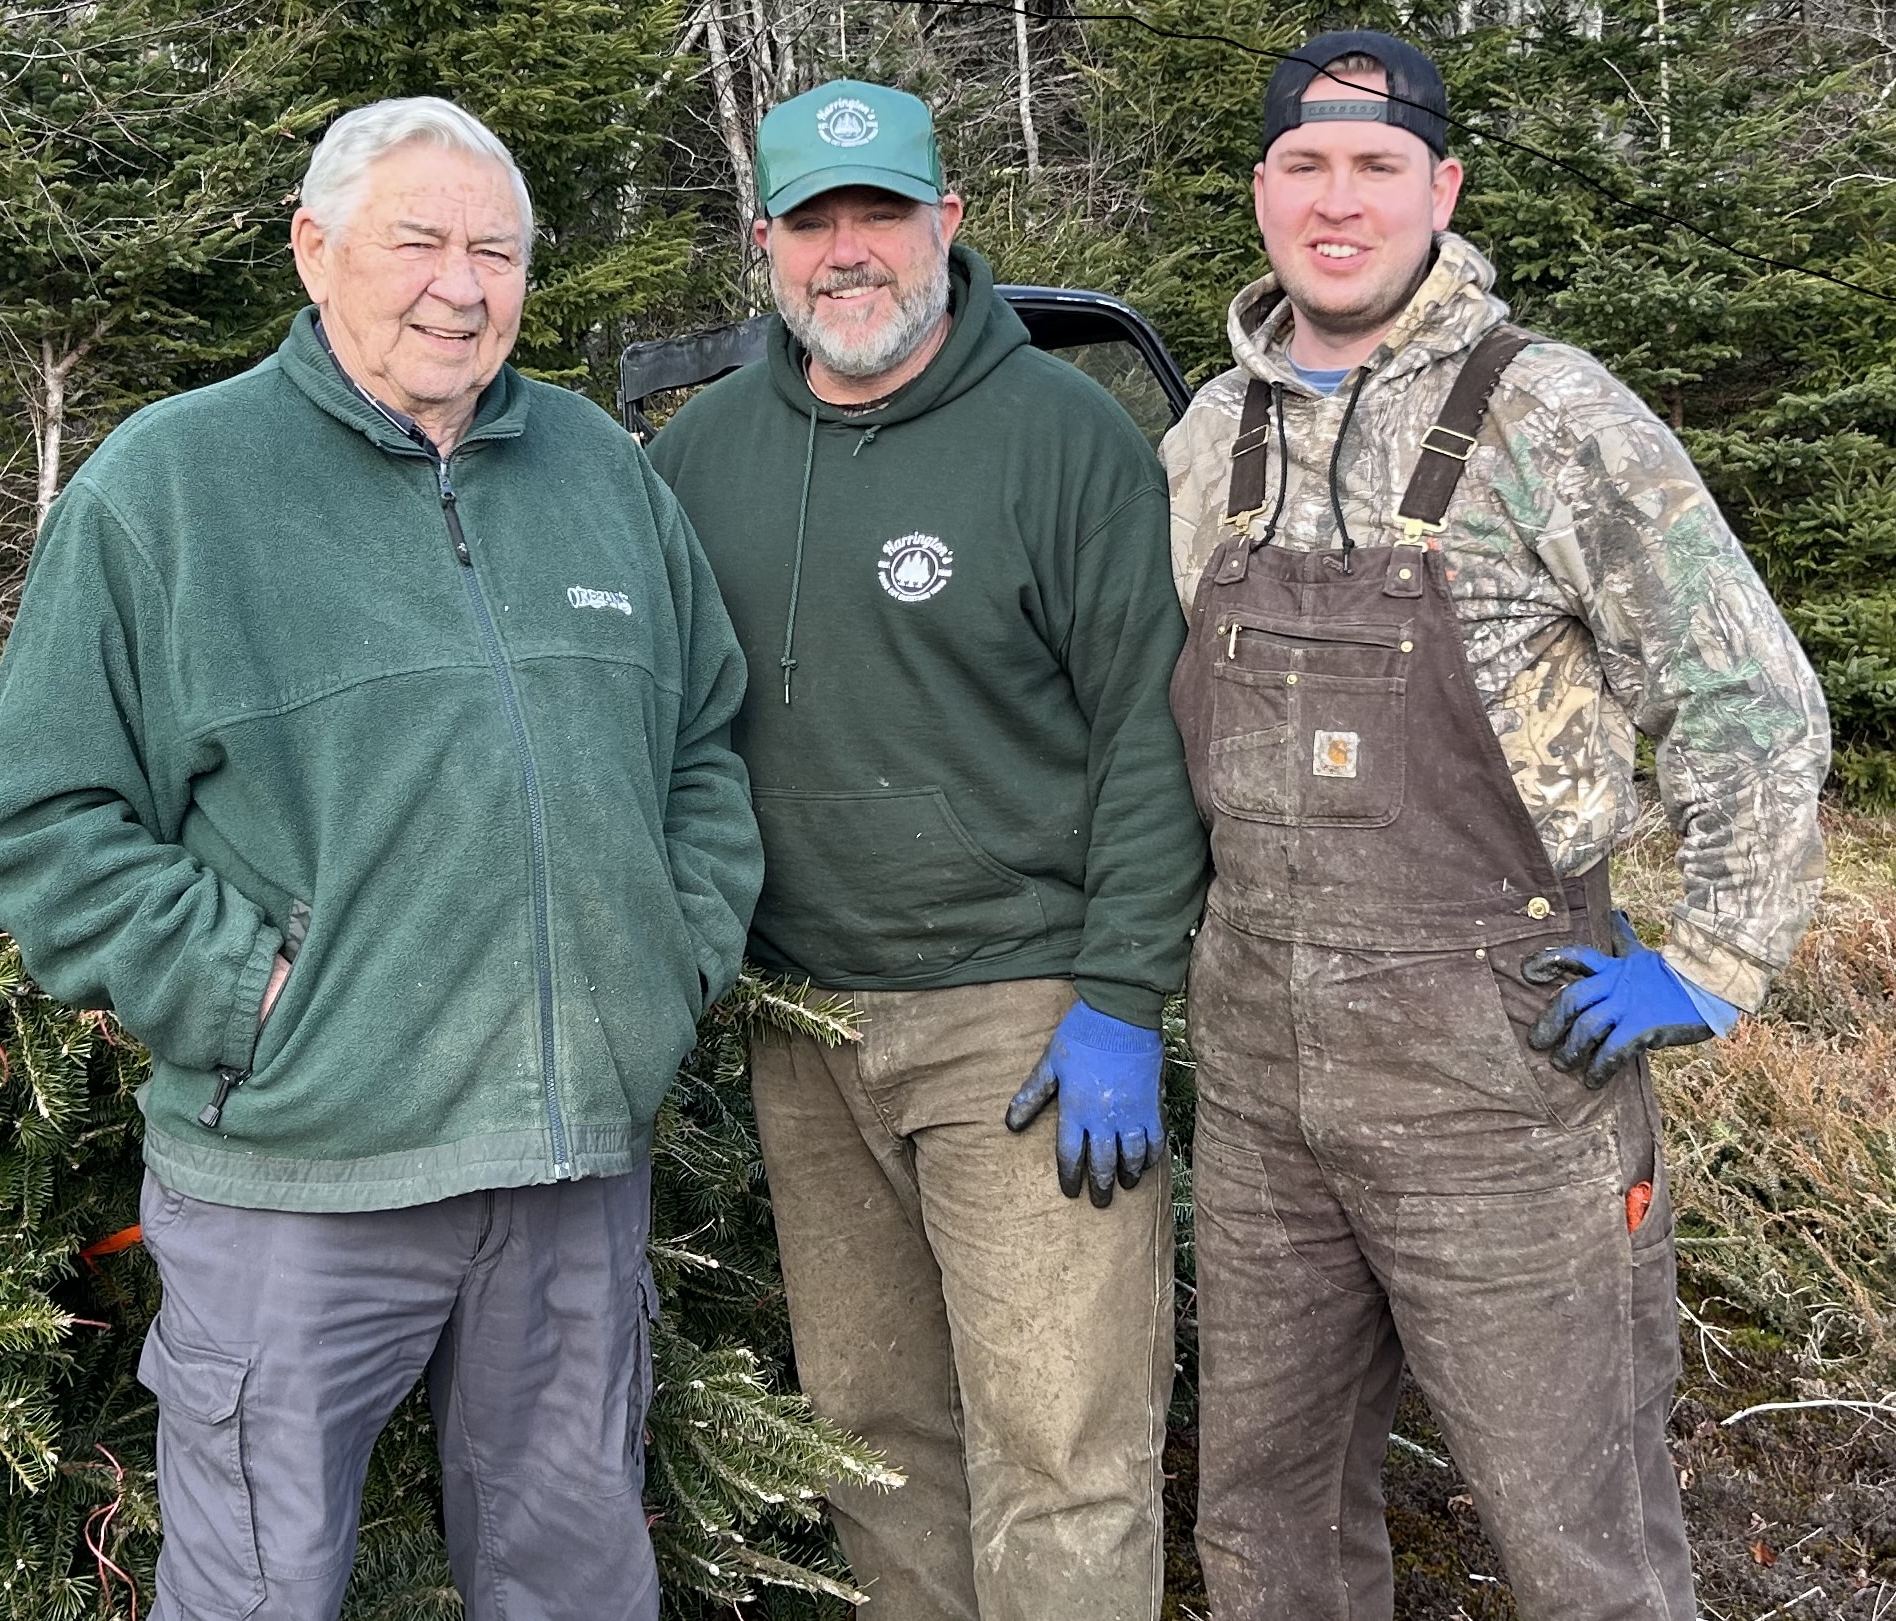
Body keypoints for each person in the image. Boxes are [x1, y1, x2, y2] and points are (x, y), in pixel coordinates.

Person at [0, 97, 760, 1621]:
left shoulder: (600, 471)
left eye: (495, 250)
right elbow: (43, 821)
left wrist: (666, 957)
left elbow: (705, 750)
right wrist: (262, 998)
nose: (459, 283)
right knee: (260, 1592)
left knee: (576, 1583)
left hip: (567, 1168)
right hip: (296, 1179)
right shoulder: (167, 488)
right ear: (314, 249)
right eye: (418, 241)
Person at [1160, 31, 1830, 1620]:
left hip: (1502, 1078)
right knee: (1266, 1526)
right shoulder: (1205, 440)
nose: (1338, 202)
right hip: (1259, 1084)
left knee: (1575, 1527)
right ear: (1261, 190)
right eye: (1304, 166)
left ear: (1439, 189)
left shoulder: (1550, 415)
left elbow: (1745, 689)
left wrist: (1718, 955)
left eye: (1375, 167)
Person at [648, 79, 1208, 1621]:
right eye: (811, 221)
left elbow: (1149, 736)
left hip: (1021, 1024)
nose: (848, 253)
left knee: (1060, 1445)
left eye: (879, 214)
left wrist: (1120, 995)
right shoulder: (696, 457)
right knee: (871, 1435)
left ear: (945, 224)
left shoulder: (1064, 439)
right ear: (762, 239)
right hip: (801, 1023)